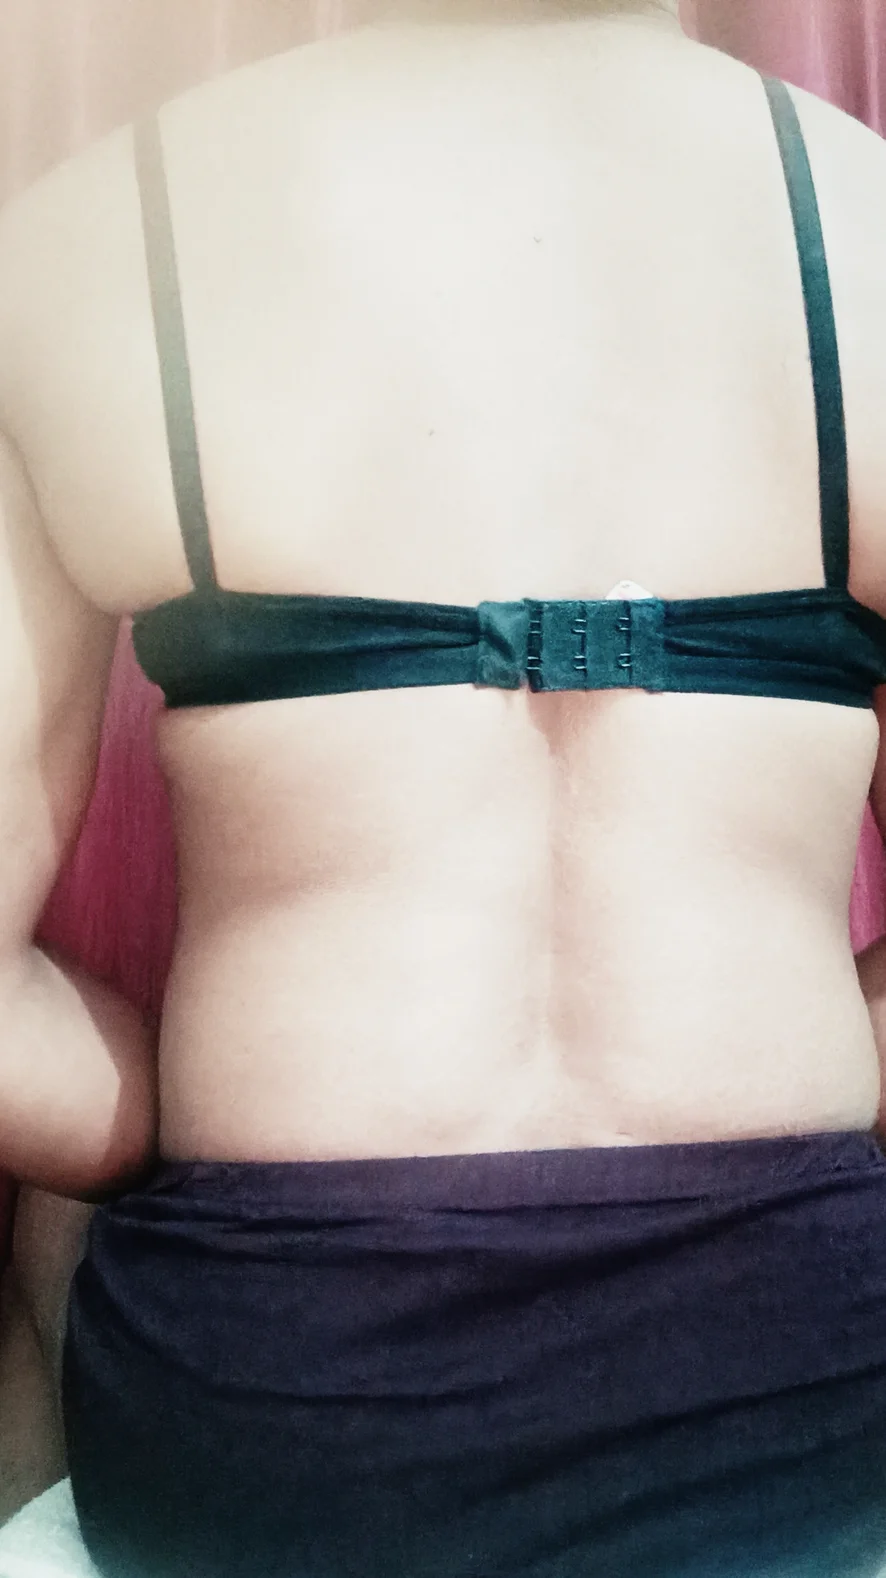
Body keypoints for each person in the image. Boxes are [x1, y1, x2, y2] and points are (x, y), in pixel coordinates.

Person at [2, 0, 886, 1570]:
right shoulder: (866, 231)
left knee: (49, 1243)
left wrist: (166, 1121)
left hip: (282, 1410)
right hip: (803, 1391)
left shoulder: (85, 244)